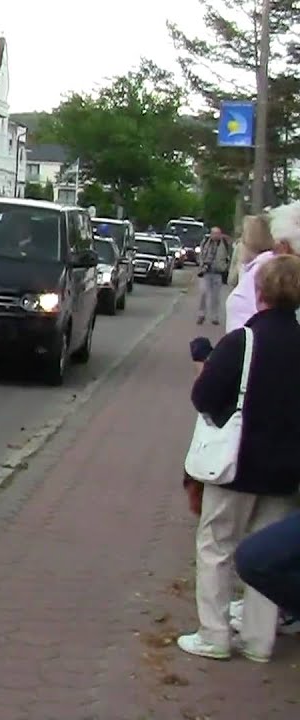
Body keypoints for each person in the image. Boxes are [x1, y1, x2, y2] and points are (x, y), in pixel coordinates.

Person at [179, 254, 300, 663]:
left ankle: (214, 635)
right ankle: (259, 641)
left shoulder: (241, 342)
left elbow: (204, 397)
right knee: (267, 557)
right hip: (286, 472)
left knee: (216, 546)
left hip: (236, 466)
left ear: (260, 292)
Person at [197, 227, 234, 325]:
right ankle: (201, 314)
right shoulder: (206, 242)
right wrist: (201, 265)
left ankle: (215, 316)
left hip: (218, 273)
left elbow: (230, 255)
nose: (216, 236)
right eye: (214, 233)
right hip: (206, 272)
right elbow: (201, 254)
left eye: (218, 234)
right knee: (203, 293)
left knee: (216, 296)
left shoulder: (224, 244)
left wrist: (226, 267)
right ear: (211, 234)